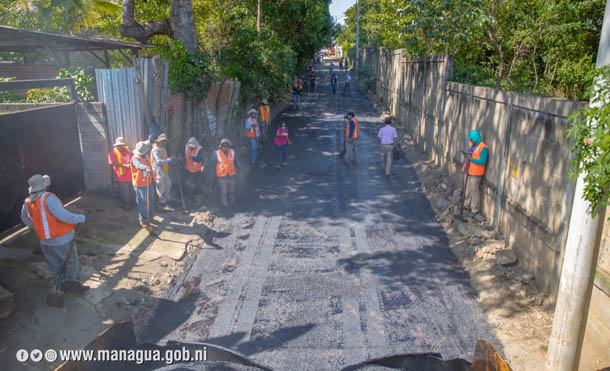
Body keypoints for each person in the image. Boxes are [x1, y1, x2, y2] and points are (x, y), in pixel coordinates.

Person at [21, 174, 88, 294]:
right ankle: (74, 286)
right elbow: (63, 216)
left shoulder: (28, 202)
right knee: (71, 262)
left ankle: (59, 286)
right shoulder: (48, 198)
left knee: (54, 265)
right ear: (44, 186)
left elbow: (25, 218)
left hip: (44, 241)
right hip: (61, 239)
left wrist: (37, 228)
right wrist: (80, 218)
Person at [207, 138, 242, 208]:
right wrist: (204, 165)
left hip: (231, 175)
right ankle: (225, 206)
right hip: (221, 177)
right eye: (224, 145)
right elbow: (211, 161)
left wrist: (240, 169)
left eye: (227, 145)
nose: (225, 147)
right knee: (224, 192)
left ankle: (232, 204)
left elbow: (236, 162)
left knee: (231, 191)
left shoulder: (232, 152)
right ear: (221, 146)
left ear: (229, 146)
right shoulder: (216, 153)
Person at [461, 130, 489, 217]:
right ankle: (466, 206)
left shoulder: (483, 148)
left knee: (474, 191)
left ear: (475, 138)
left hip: (476, 174)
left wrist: (471, 159)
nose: (470, 141)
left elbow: (483, 161)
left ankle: (474, 210)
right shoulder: (474, 146)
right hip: (470, 172)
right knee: (468, 190)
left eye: (471, 139)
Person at [131, 140, 155, 228]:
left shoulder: (145, 156)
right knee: (142, 202)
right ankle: (143, 219)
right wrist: (146, 168)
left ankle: (150, 217)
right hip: (140, 184)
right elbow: (138, 165)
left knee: (151, 200)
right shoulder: (135, 158)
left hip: (149, 182)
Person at [107, 137, 134, 210]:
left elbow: (132, 157)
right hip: (121, 176)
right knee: (125, 193)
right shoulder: (112, 152)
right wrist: (124, 165)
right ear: (116, 146)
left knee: (132, 191)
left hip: (131, 175)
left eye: (122, 145)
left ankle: (132, 203)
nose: (120, 146)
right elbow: (112, 163)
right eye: (119, 145)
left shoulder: (127, 150)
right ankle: (126, 204)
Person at [151, 133, 174, 208]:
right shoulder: (156, 150)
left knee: (168, 184)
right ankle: (162, 202)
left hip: (164, 169)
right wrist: (170, 159)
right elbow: (158, 161)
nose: (164, 142)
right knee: (160, 186)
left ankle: (167, 199)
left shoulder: (163, 148)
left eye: (165, 141)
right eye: (163, 141)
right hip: (158, 169)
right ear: (159, 141)